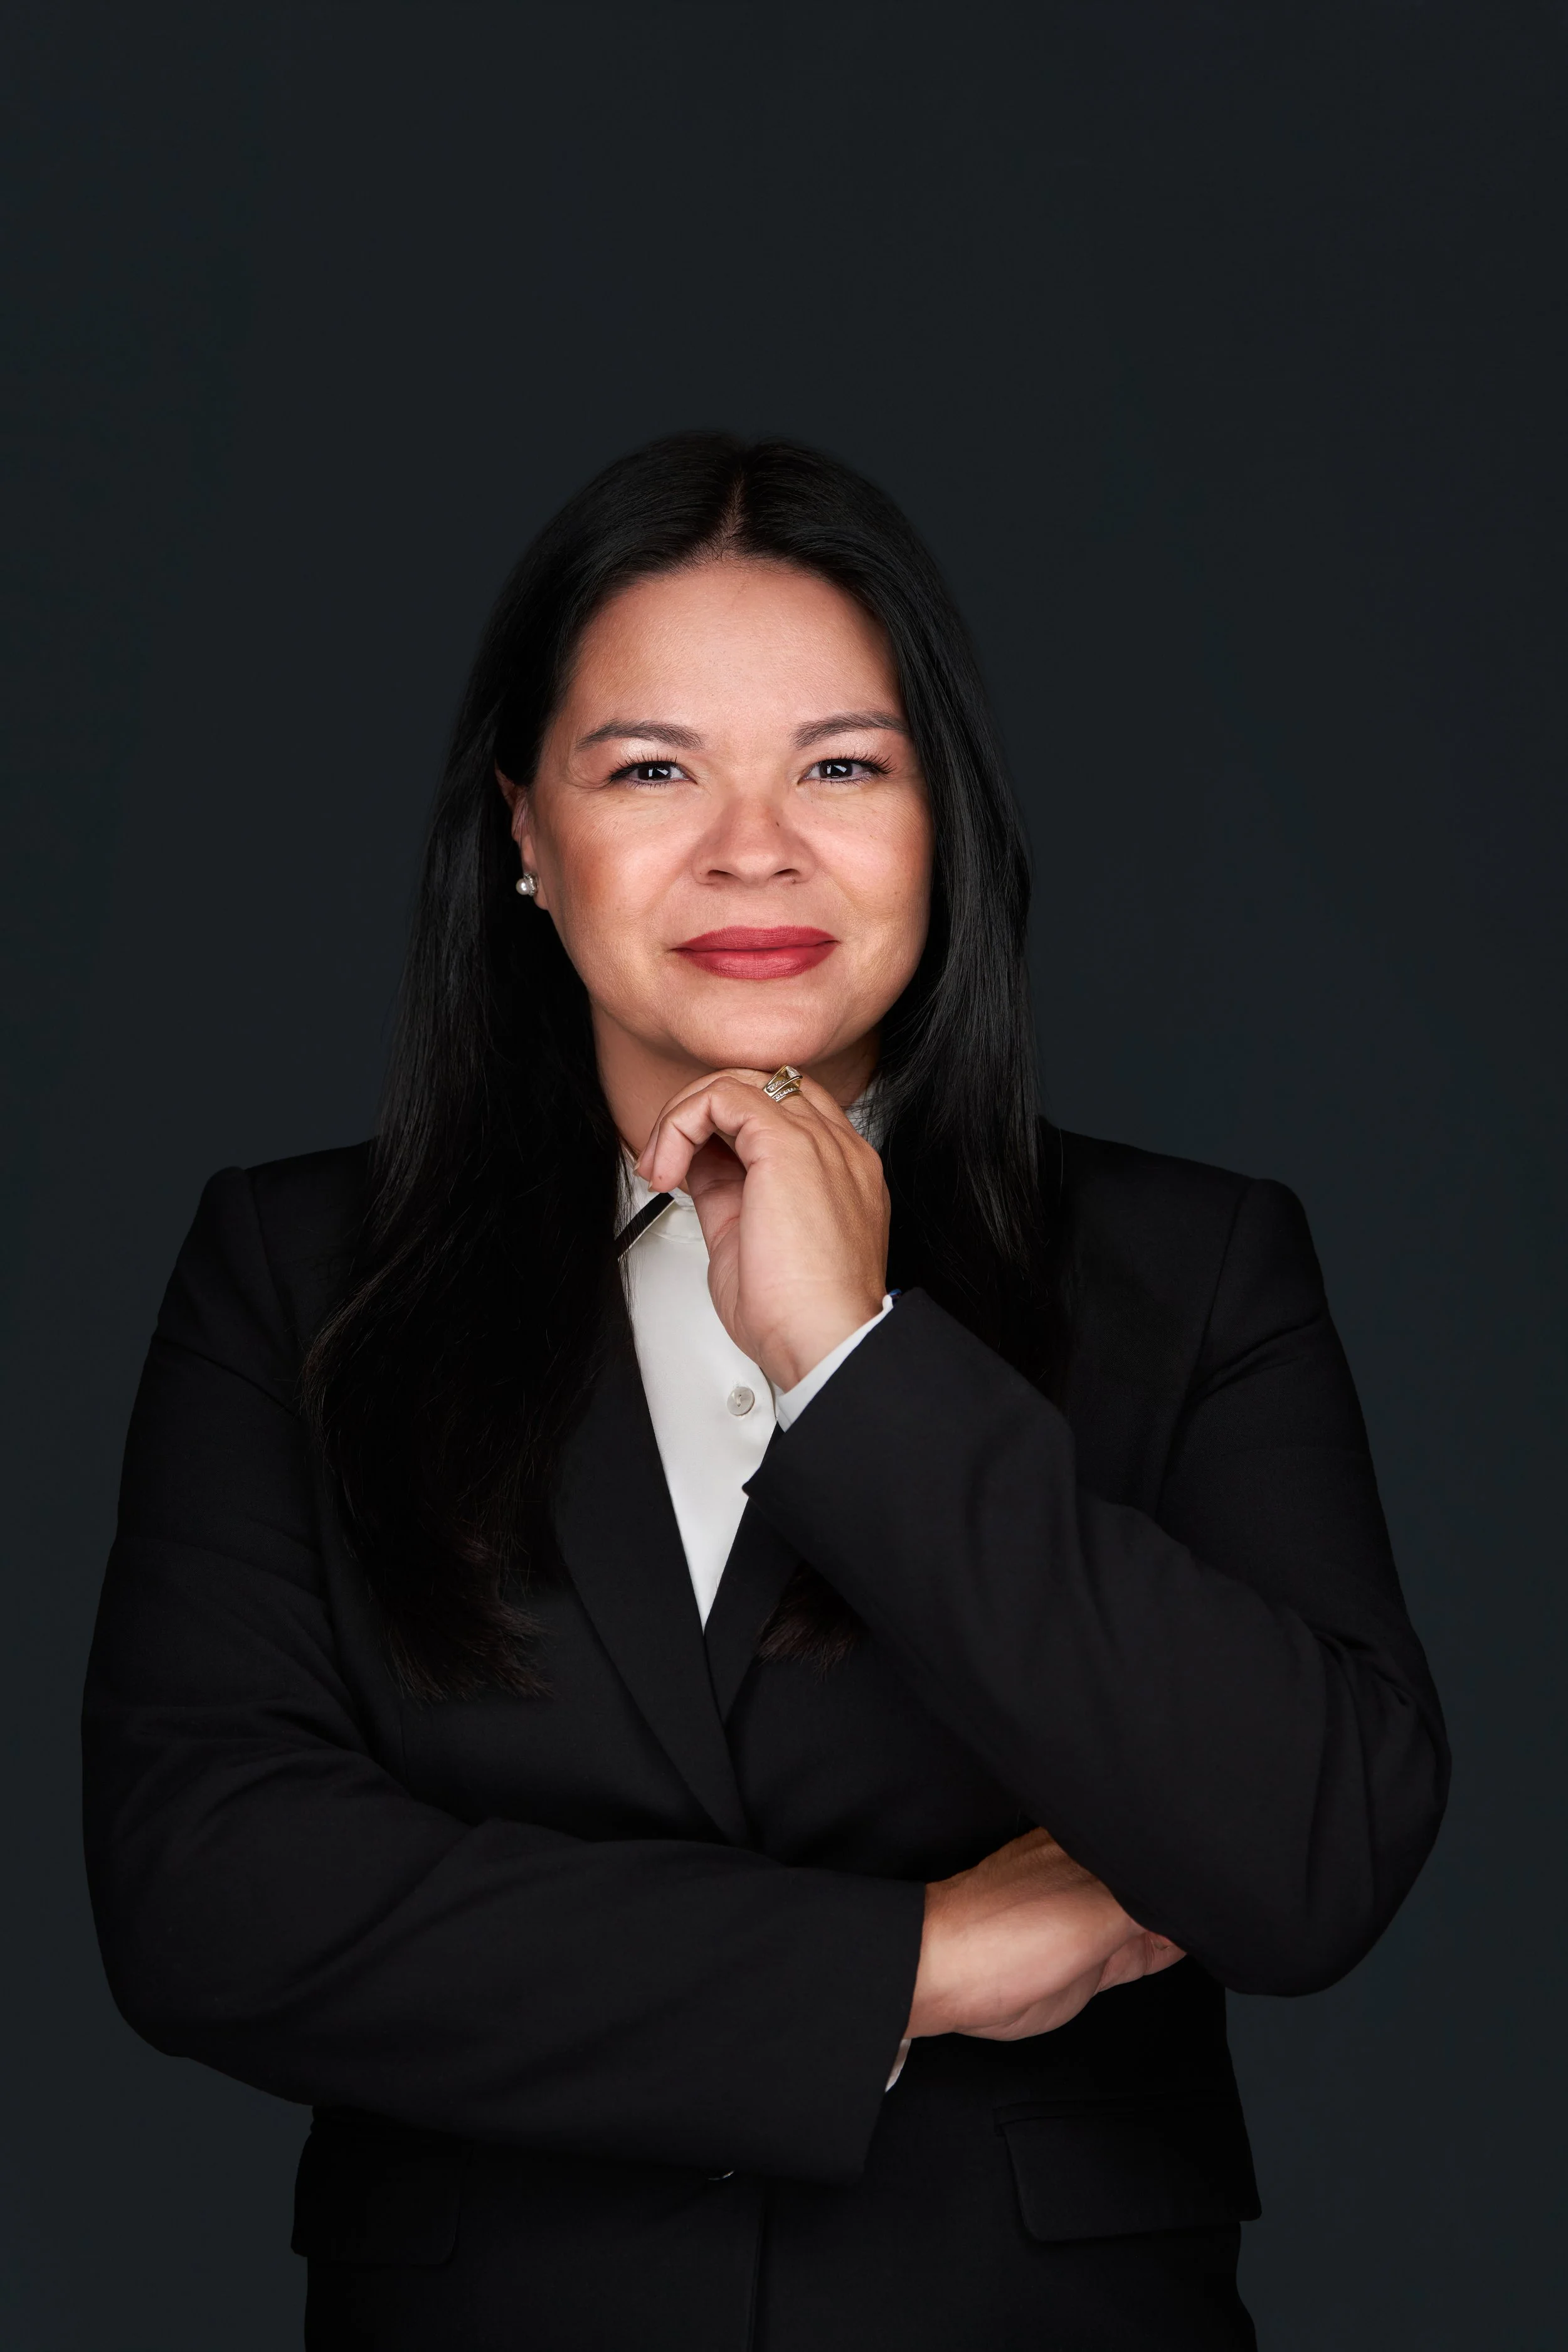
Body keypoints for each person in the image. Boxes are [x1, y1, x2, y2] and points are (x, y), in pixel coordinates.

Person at [83, 433, 1447, 2351]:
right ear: (523, 834)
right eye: (651, 768)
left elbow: (1306, 1856)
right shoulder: (298, 1272)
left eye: (842, 766)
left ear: (942, 820)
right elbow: (212, 1894)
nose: (753, 848)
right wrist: (911, 1961)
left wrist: (853, 1358)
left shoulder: (1192, 1267)